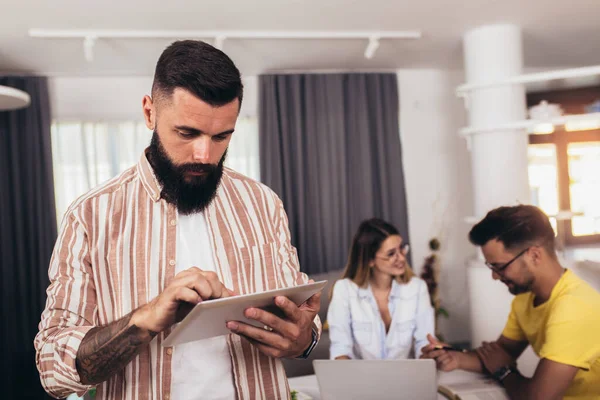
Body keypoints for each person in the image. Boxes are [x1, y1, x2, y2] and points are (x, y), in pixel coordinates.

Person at [34, 40, 321, 400]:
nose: (205, 154)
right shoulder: (90, 216)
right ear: (149, 112)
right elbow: (52, 368)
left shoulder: (262, 203)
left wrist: (303, 338)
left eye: (222, 136)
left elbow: (298, 320)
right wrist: (146, 318)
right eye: (187, 133)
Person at [421, 205, 600, 400]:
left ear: (534, 255)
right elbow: (502, 352)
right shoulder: (525, 298)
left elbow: (538, 398)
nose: (494, 277)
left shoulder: (574, 307)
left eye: (499, 267)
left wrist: (504, 372)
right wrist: (454, 358)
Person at [327, 218, 434, 360]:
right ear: (370, 260)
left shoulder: (417, 288)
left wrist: (427, 362)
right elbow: (340, 348)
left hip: (404, 378)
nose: (401, 258)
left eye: (401, 248)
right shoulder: (344, 290)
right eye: (391, 254)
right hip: (362, 378)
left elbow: (424, 343)